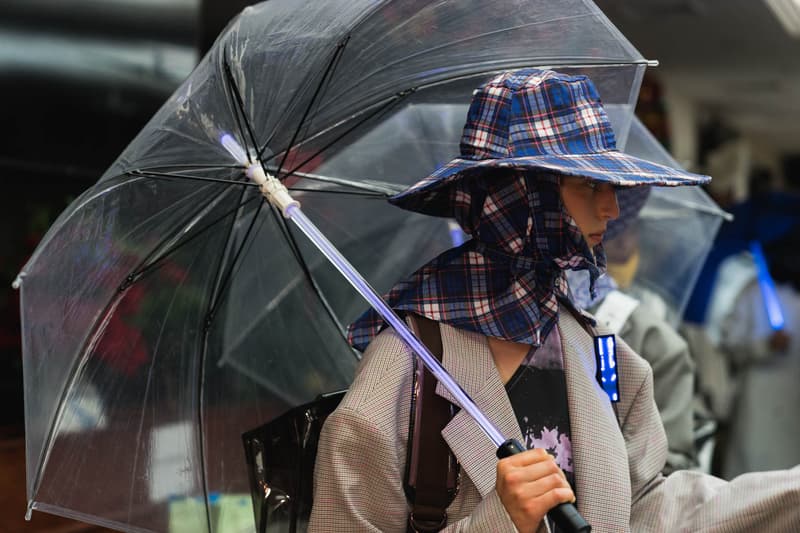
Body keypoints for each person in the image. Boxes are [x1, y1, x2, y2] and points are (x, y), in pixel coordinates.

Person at [309, 69, 800, 532]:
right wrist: (499, 520)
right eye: (589, 186)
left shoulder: (598, 351)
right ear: (525, 194)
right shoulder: (406, 367)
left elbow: (647, 506)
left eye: (610, 188)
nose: (610, 208)